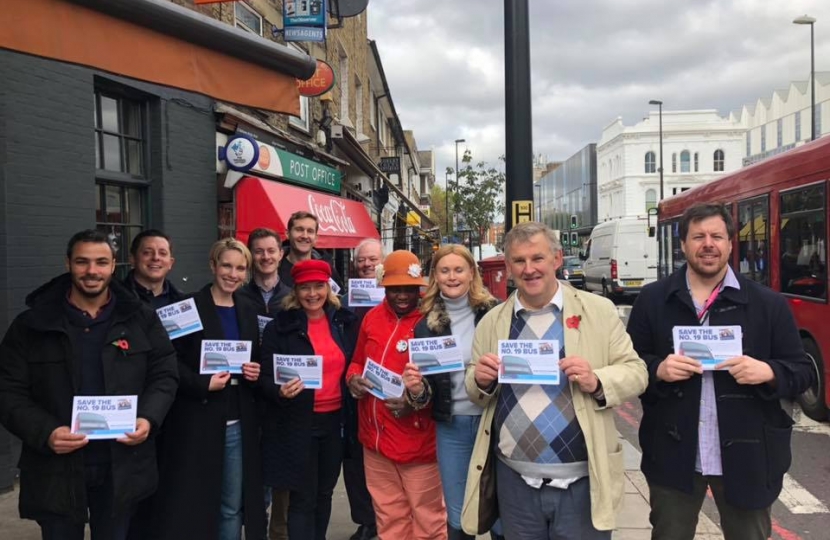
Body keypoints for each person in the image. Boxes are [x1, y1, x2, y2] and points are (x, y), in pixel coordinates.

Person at [626, 203, 815, 540]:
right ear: (683, 244)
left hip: (750, 456)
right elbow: (629, 365)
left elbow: (802, 371)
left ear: (730, 243)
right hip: (673, 453)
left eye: (717, 236)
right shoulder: (654, 300)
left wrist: (769, 372)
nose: (708, 244)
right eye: (698, 236)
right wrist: (658, 369)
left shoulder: (767, 304)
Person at [462, 221, 647, 539]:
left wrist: (597, 380)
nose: (529, 269)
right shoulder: (493, 322)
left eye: (538, 258)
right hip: (515, 481)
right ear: (508, 267)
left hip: (582, 481)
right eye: (519, 261)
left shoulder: (598, 311)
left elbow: (636, 372)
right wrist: (480, 380)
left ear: (557, 259)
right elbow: (476, 389)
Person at [0, 229, 178, 539]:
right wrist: (46, 432)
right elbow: (8, 390)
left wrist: (148, 418)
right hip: (55, 467)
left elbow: (164, 373)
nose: (92, 271)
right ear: (68, 263)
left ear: (114, 266)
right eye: (82, 262)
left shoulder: (141, 319)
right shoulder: (32, 325)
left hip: (121, 465)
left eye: (101, 262)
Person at [153, 238, 265, 540]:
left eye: (240, 268)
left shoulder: (248, 309)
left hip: (237, 420)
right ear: (213, 265)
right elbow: (167, 361)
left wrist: (255, 370)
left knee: (231, 505)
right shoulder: (187, 308)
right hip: (196, 420)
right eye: (227, 265)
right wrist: (201, 383)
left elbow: (254, 357)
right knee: (194, 501)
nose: (233, 273)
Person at [402, 244, 502, 540]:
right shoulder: (426, 324)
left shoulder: (496, 314)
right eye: (444, 270)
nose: (452, 276)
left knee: (502, 511)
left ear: (472, 273)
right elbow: (425, 394)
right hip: (452, 425)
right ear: (435, 276)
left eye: (459, 269)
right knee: (458, 515)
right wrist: (417, 389)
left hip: (492, 421)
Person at [346, 250, 448, 540]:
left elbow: (444, 384)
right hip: (375, 441)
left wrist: (413, 401)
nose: (402, 295)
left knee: (429, 523)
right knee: (389, 520)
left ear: (420, 288)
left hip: (417, 443)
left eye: (408, 288)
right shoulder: (372, 318)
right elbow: (356, 360)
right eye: (394, 289)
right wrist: (352, 378)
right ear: (384, 288)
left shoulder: (433, 323)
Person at [260, 259, 359, 539]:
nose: (312, 294)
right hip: (297, 423)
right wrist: (279, 391)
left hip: (335, 423)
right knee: (302, 498)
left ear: (328, 288)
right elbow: (264, 379)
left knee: (324, 494)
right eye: (305, 288)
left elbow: (356, 362)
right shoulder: (279, 327)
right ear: (295, 290)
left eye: (319, 286)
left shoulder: (344, 322)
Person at [237, 227, 291, 540]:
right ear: (251, 255)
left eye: (271, 250)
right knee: (250, 471)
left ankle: (277, 533)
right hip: (245, 394)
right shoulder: (237, 295)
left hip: (281, 395)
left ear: (281, 254)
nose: (266, 257)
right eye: (259, 251)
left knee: (278, 471)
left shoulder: (292, 298)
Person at [342, 238, 384, 540]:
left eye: (372, 259)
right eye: (361, 260)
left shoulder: (399, 295)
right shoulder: (344, 300)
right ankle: (366, 520)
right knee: (354, 459)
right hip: (352, 388)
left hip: (388, 393)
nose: (367, 265)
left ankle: (386, 519)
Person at [278, 211, 343, 289]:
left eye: (310, 231)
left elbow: (338, 299)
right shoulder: (275, 267)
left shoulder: (327, 268)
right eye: (299, 230)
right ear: (287, 234)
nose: (305, 236)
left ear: (316, 238)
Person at [122, 229, 185, 309]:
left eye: (162, 253)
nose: (156, 258)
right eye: (147, 252)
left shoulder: (182, 302)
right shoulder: (115, 299)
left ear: (170, 263)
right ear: (132, 259)